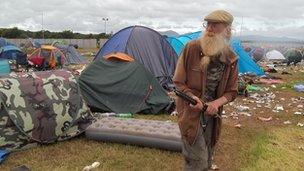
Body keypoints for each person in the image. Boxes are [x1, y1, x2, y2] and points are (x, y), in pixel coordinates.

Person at [173, 10, 238, 170]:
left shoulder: (231, 58)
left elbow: (231, 91)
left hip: (212, 116)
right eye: (207, 24)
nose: (209, 28)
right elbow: (178, 82)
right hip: (191, 113)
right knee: (197, 161)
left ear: (227, 30)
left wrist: (216, 103)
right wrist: (191, 98)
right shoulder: (191, 48)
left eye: (215, 25)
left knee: (208, 158)